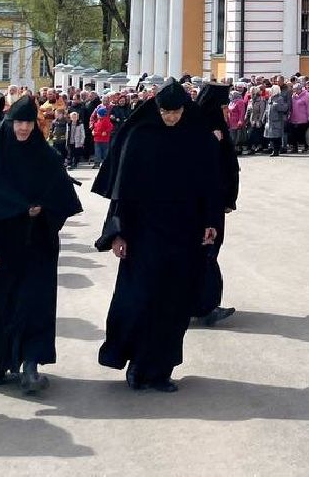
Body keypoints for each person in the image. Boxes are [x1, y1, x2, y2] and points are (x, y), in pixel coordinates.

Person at [94, 80, 222, 391]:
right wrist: (117, 234)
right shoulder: (140, 136)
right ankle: (137, 364)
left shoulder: (196, 136)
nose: (171, 118)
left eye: (176, 112)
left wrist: (210, 223)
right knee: (140, 300)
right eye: (166, 112)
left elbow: (210, 185)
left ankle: (162, 369)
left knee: (175, 303)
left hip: (184, 233)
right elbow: (122, 192)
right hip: (144, 235)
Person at [0, 95, 82, 393]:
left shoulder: (45, 156)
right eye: (18, 123)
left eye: (28, 123)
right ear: (9, 123)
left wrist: (42, 211)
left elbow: (61, 199)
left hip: (37, 244)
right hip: (0, 247)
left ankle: (31, 365)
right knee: (0, 306)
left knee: (34, 304)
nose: (23, 129)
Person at [190, 83, 239, 328]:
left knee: (207, 255)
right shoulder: (202, 131)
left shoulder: (217, 128)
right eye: (223, 106)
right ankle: (204, 307)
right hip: (204, 207)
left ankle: (200, 305)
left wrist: (228, 200)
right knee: (204, 255)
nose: (227, 110)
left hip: (216, 203)